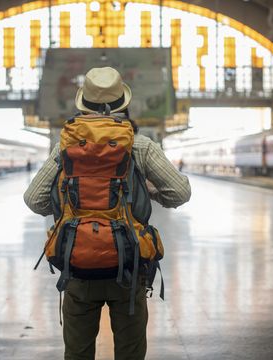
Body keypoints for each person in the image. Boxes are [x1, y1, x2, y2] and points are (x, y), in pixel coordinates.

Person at [24, 67, 191, 360]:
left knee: (77, 354)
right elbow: (180, 192)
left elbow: (34, 200)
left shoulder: (64, 147)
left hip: (77, 265)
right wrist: (149, 190)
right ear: (122, 105)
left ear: (84, 103)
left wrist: (69, 205)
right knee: (130, 353)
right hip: (129, 266)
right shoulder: (139, 146)